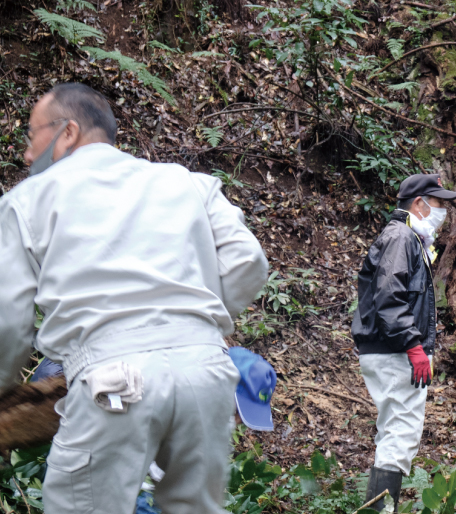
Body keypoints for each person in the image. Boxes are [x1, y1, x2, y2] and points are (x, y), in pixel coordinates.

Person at [0, 83, 269, 514]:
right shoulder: (187, 182)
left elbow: (7, 322)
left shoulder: (25, 201)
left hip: (113, 380)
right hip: (207, 373)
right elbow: (248, 262)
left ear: (67, 132)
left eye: (32, 137)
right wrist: (191, 324)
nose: (28, 155)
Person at [353, 173, 456, 511]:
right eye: (439, 204)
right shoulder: (401, 237)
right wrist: (414, 346)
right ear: (419, 204)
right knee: (399, 435)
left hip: (392, 348)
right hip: (394, 350)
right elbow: (388, 296)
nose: (443, 211)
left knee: (395, 433)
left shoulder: (407, 238)